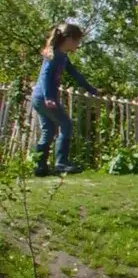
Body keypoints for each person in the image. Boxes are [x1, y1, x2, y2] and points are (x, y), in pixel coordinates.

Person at [31, 23, 98, 177]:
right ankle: (61, 162)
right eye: (77, 41)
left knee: (48, 130)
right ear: (68, 39)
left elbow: (75, 74)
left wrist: (92, 90)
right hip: (44, 97)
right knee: (66, 124)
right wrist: (49, 97)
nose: (78, 45)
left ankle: (40, 167)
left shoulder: (62, 57)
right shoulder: (53, 55)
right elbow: (46, 76)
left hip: (39, 97)